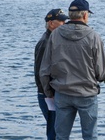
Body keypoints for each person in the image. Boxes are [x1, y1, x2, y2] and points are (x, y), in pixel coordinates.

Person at [40, 0, 105, 140]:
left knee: (61, 136)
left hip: (62, 93)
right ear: (85, 15)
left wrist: (49, 93)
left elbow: (44, 69)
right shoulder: (93, 36)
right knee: (90, 136)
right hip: (86, 94)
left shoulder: (55, 34)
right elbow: (101, 72)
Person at [34, 8, 69, 140]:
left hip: (52, 92)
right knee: (54, 131)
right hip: (48, 95)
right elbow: (39, 73)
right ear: (51, 23)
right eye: (61, 21)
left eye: (65, 20)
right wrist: (49, 94)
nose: (64, 23)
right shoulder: (45, 43)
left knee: (57, 129)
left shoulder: (54, 39)